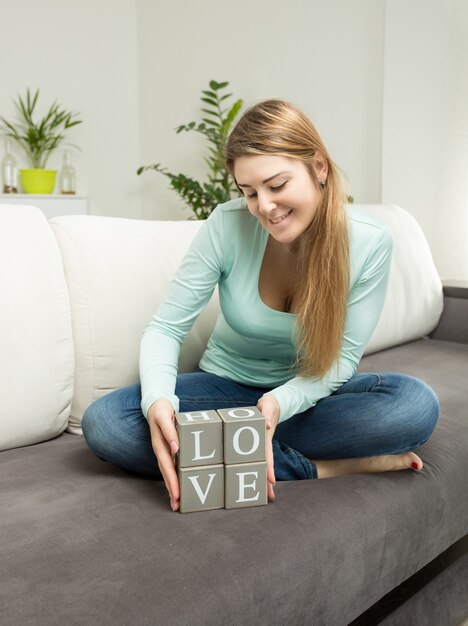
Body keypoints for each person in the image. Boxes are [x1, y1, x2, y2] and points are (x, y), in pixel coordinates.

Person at [82, 99, 440, 512]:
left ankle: (228, 454)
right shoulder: (226, 224)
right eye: (249, 192)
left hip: (304, 399)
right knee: (108, 423)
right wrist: (159, 400)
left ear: (318, 168)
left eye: (277, 185)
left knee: (414, 405)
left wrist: (275, 407)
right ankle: (318, 469)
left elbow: (340, 361)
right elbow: (165, 328)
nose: (264, 207)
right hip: (224, 389)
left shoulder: (369, 241)